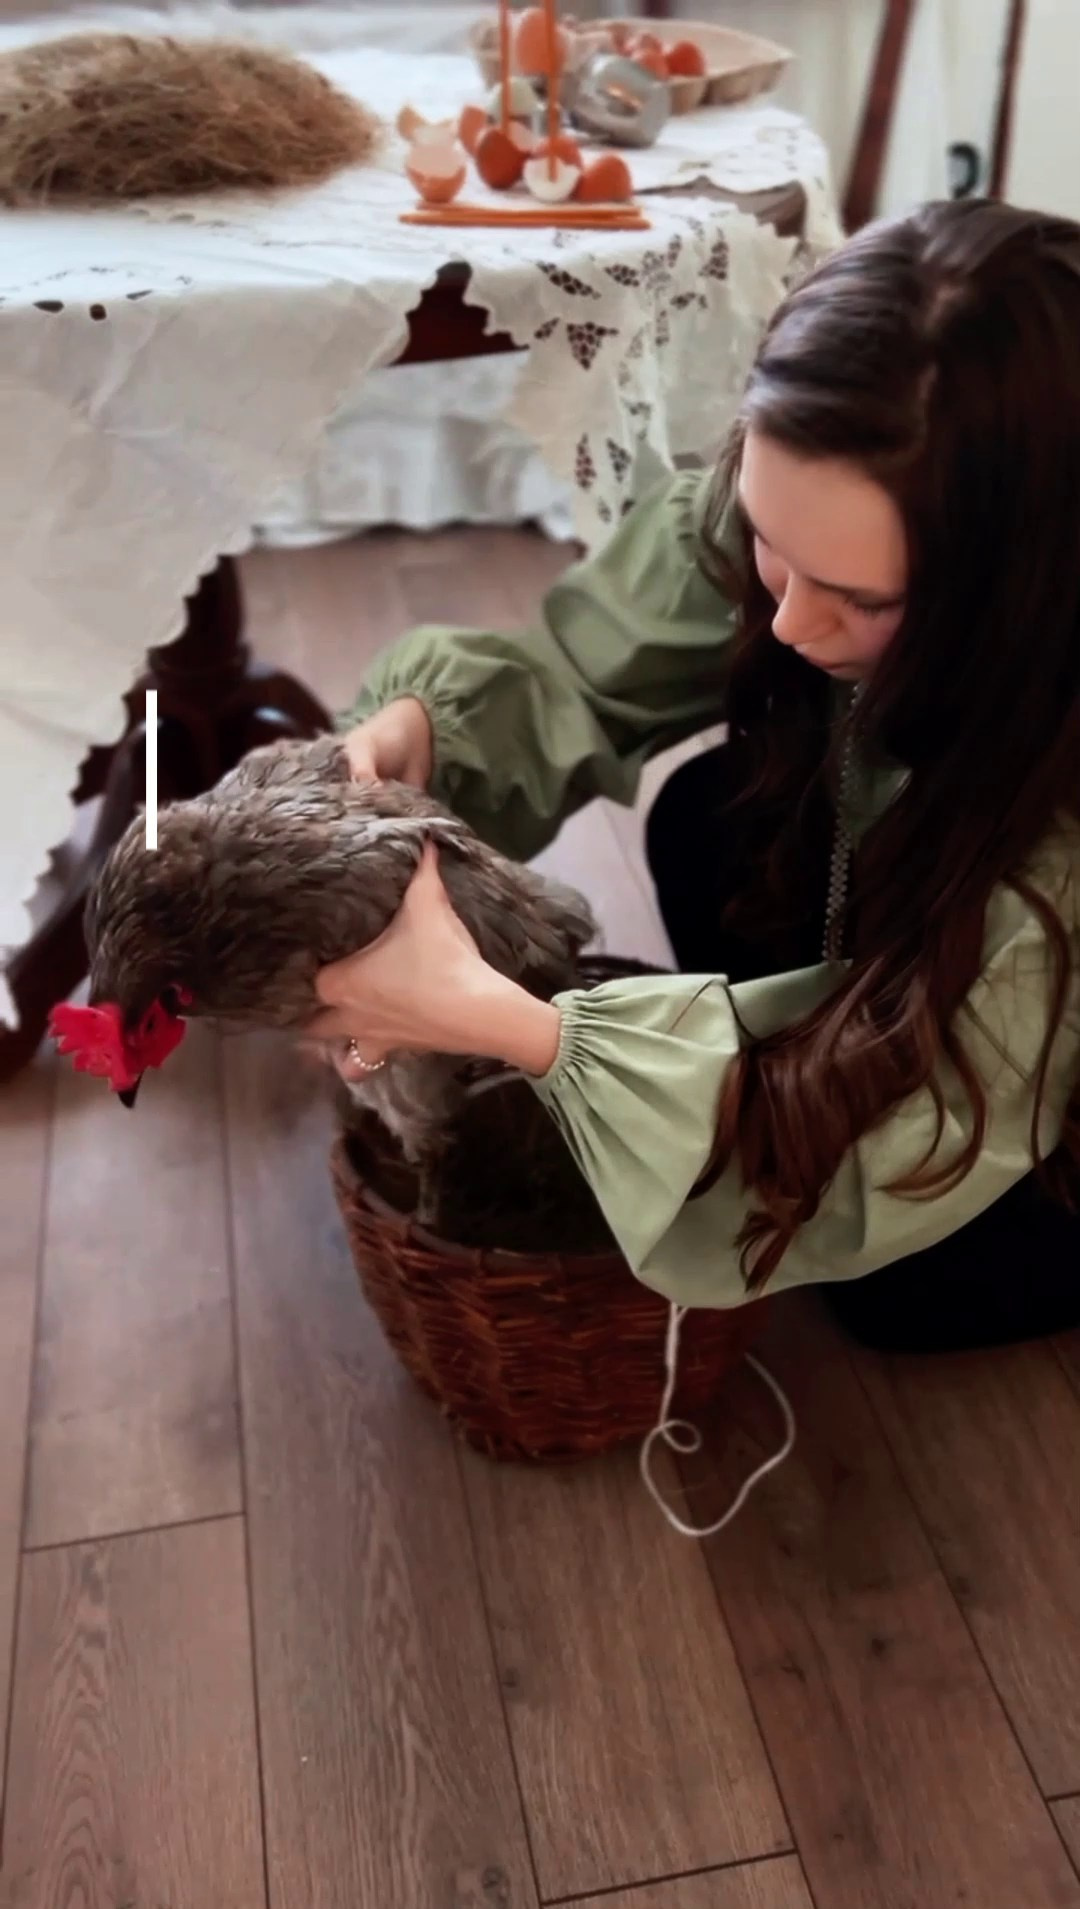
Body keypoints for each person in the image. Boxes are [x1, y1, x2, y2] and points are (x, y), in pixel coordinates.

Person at [307, 199, 1080, 1355]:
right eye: (771, 539)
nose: (791, 619)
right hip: (920, 892)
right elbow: (582, 665)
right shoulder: (832, 492)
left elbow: (914, 1141)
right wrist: (426, 729)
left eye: (861, 598)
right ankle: (742, 1104)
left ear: (1021, 590)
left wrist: (524, 1031)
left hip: (1032, 1067)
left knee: (908, 1292)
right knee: (708, 822)